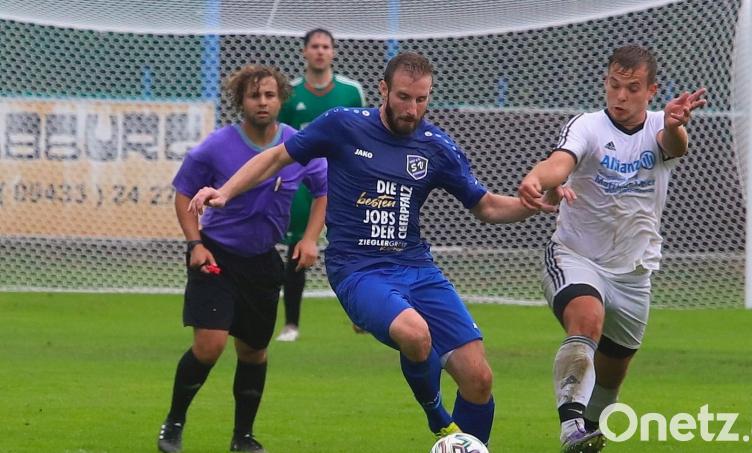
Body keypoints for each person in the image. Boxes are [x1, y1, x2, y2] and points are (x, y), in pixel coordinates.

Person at [189, 52, 568, 447]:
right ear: (384, 90)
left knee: (479, 378)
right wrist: (226, 192)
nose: (412, 109)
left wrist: (531, 204)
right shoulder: (343, 126)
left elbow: (486, 206)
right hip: (357, 270)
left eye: (422, 99)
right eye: (404, 97)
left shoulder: (436, 146)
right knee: (414, 333)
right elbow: (277, 157)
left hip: (417, 266)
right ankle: (439, 420)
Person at [518, 45, 706, 453]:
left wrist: (676, 124)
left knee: (612, 375)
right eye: (614, 85)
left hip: (633, 272)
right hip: (576, 255)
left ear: (651, 90)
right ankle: (570, 430)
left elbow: (675, 146)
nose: (620, 96)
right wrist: (537, 178)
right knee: (587, 319)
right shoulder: (587, 126)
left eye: (632, 88)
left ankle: (588, 436)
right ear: (605, 83)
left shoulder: (661, 126)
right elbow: (559, 163)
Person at [157, 65, 328, 453]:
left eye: (269, 94)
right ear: (241, 101)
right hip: (216, 256)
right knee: (210, 346)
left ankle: (242, 437)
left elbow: (324, 190)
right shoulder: (216, 146)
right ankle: (173, 423)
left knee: (253, 351)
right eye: (254, 95)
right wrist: (194, 244)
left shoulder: (298, 145)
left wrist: (310, 237)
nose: (263, 102)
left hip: (262, 261)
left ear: (282, 98)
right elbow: (183, 194)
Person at [276, 28, 366, 342]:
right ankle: (291, 324)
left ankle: (362, 314)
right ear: (304, 52)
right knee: (298, 247)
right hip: (302, 184)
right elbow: (281, 137)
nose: (320, 51)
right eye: (314, 46)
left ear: (333, 52)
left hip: (343, 181)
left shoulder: (350, 91)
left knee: (353, 246)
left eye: (325, 46)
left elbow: (362, 134)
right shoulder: (290, 92)